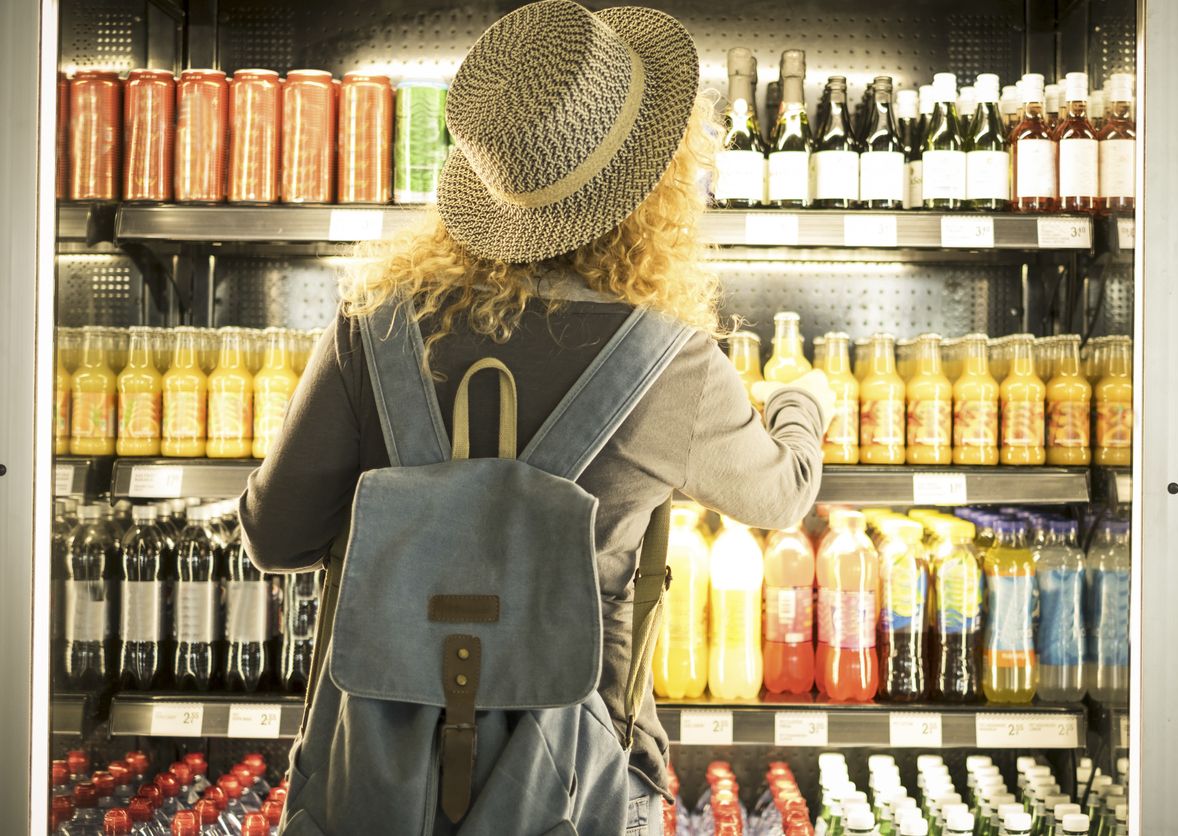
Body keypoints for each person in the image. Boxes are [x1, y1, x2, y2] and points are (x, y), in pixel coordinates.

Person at [240, 1, 834, 832]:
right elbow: (783, 497)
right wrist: (803, 402)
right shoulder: (671, 363)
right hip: (581, 774)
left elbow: (275, 536)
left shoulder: (371, 332)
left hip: (375, 774)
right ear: (655, 184)